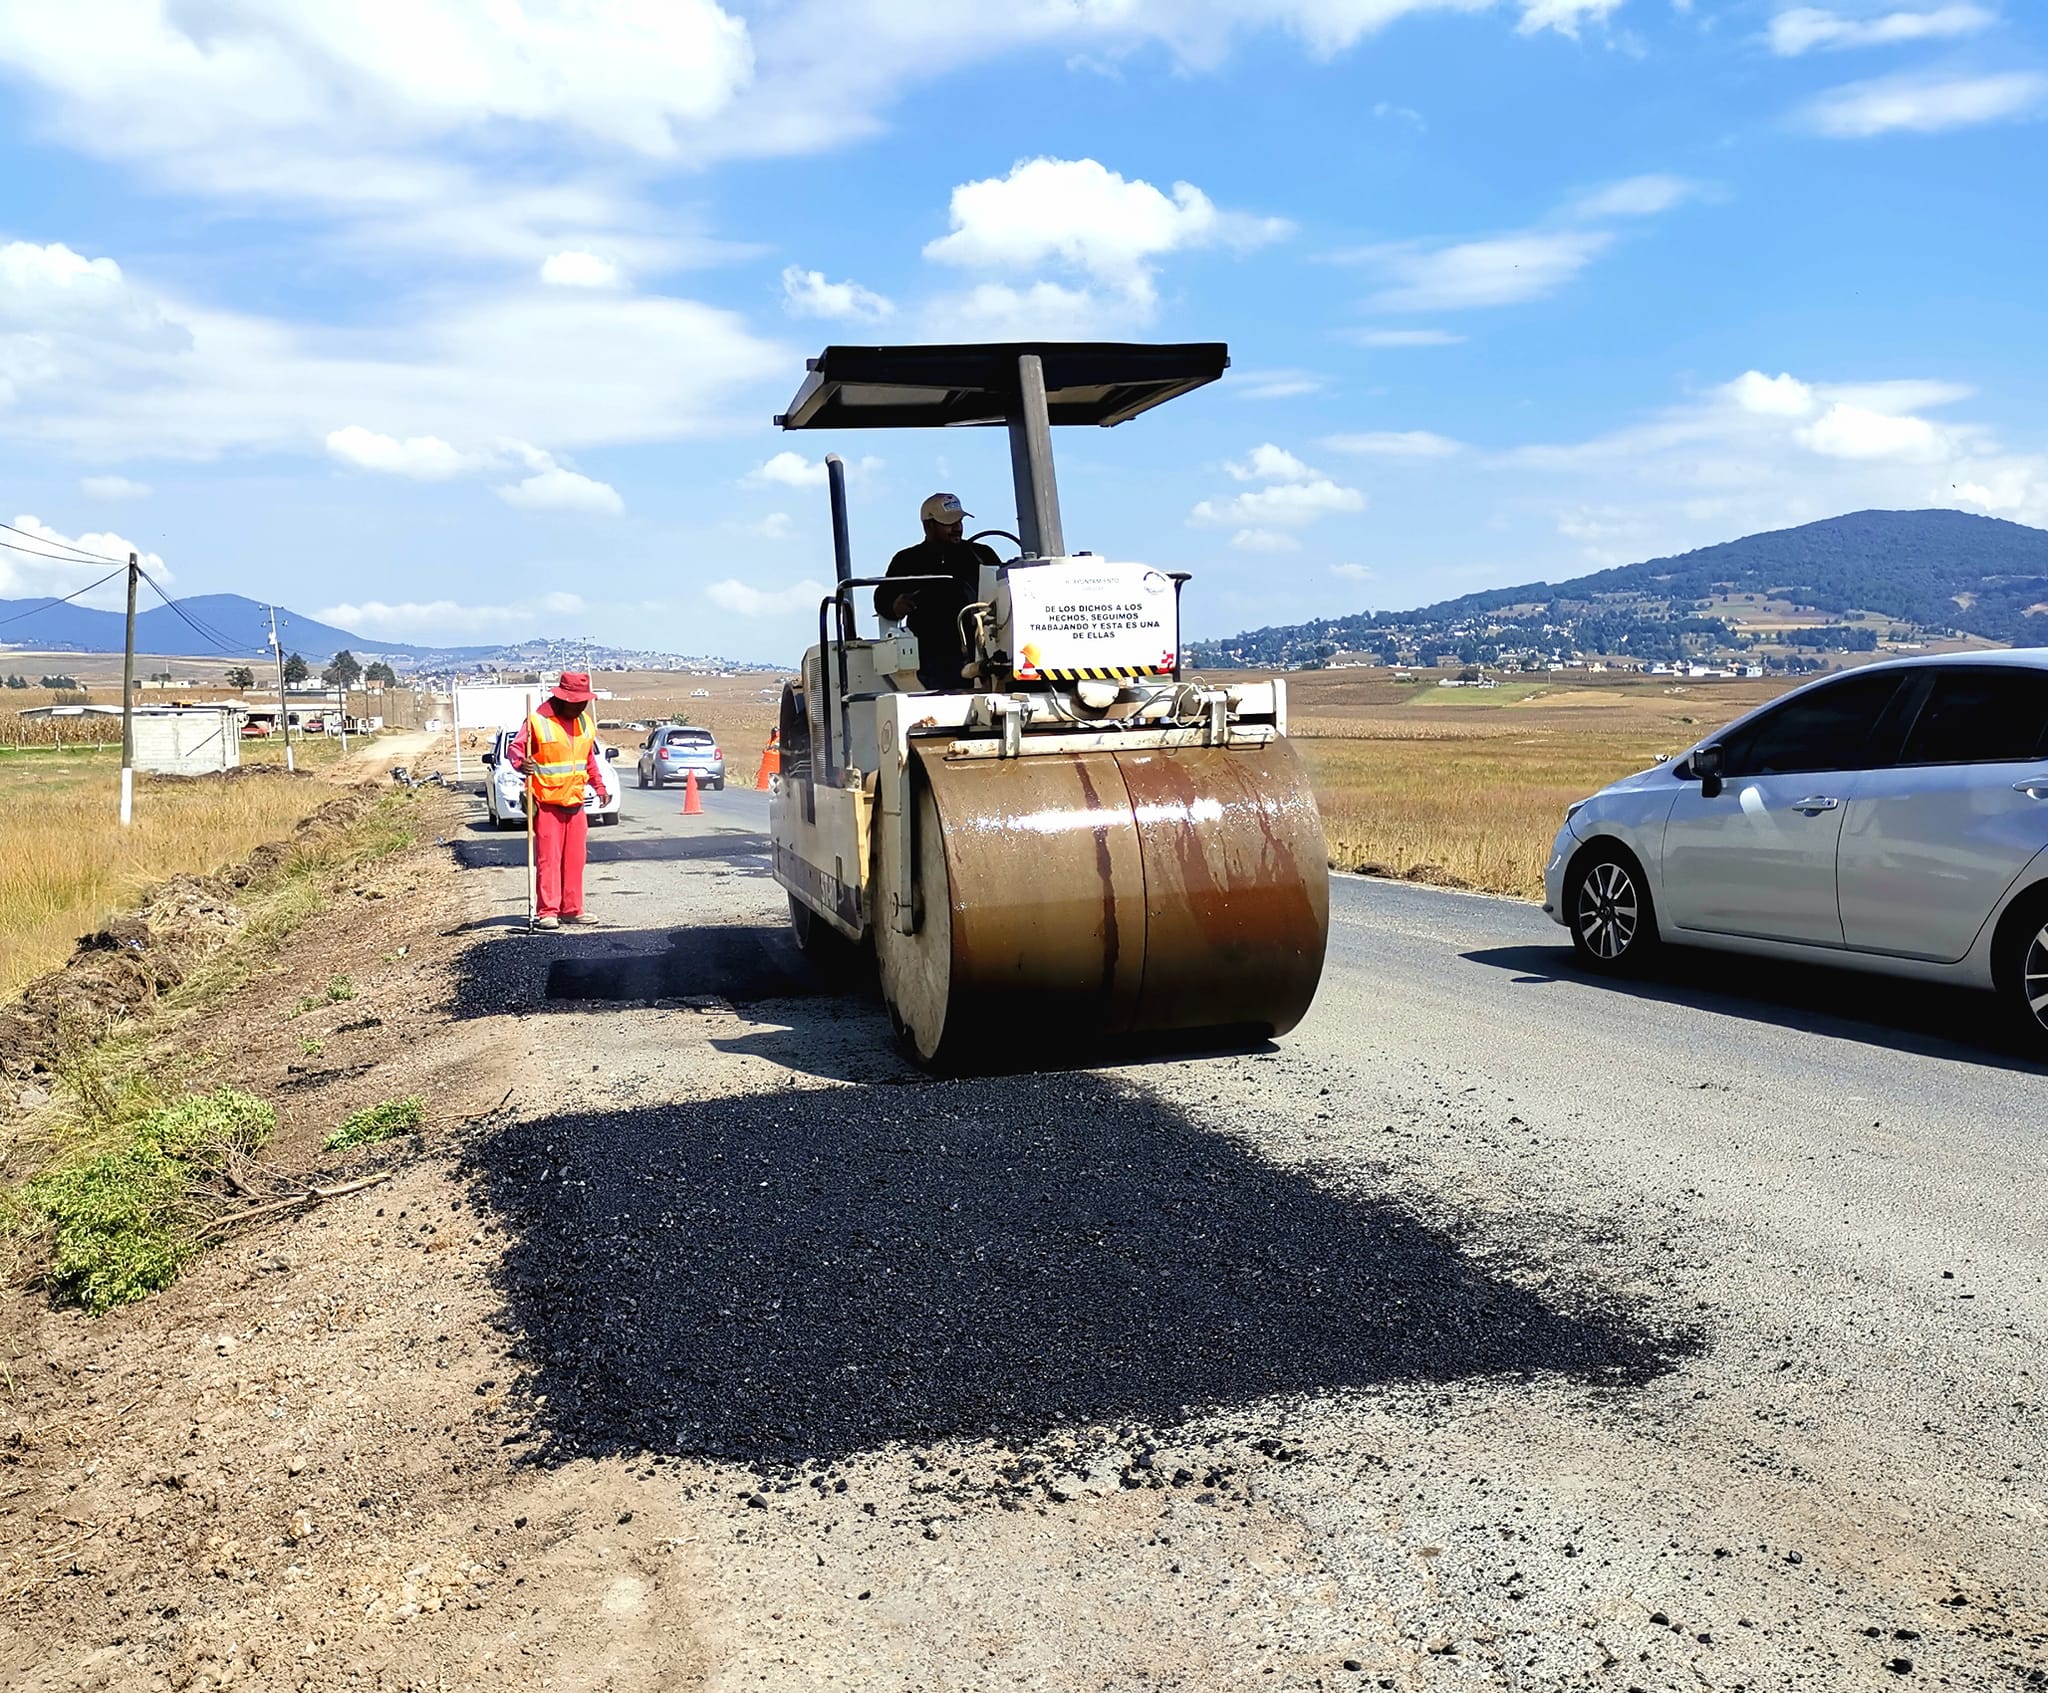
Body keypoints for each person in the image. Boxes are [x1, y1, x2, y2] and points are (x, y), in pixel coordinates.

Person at [508, 671, 614, 930]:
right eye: (576, 702)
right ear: (562, 698)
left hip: (575, 802)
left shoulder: (585, 723)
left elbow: (588, 758)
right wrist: (523, 764)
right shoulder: (537, 720)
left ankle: (572, 909)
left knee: (575, 860)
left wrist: (599, 786)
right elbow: (515, 750)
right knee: (548, 861)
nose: (580, 706)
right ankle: (548, 911)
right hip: (547, 803)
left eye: (584, 702)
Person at [873, 492, 1001, 690]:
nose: (957, 527)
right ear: (928, 525)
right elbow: (882, 599)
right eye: (949, 522)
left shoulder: (982, 554)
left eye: (959, 520)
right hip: (933, 659)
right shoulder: (907, 560)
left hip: (986, 652)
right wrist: (895, 606)